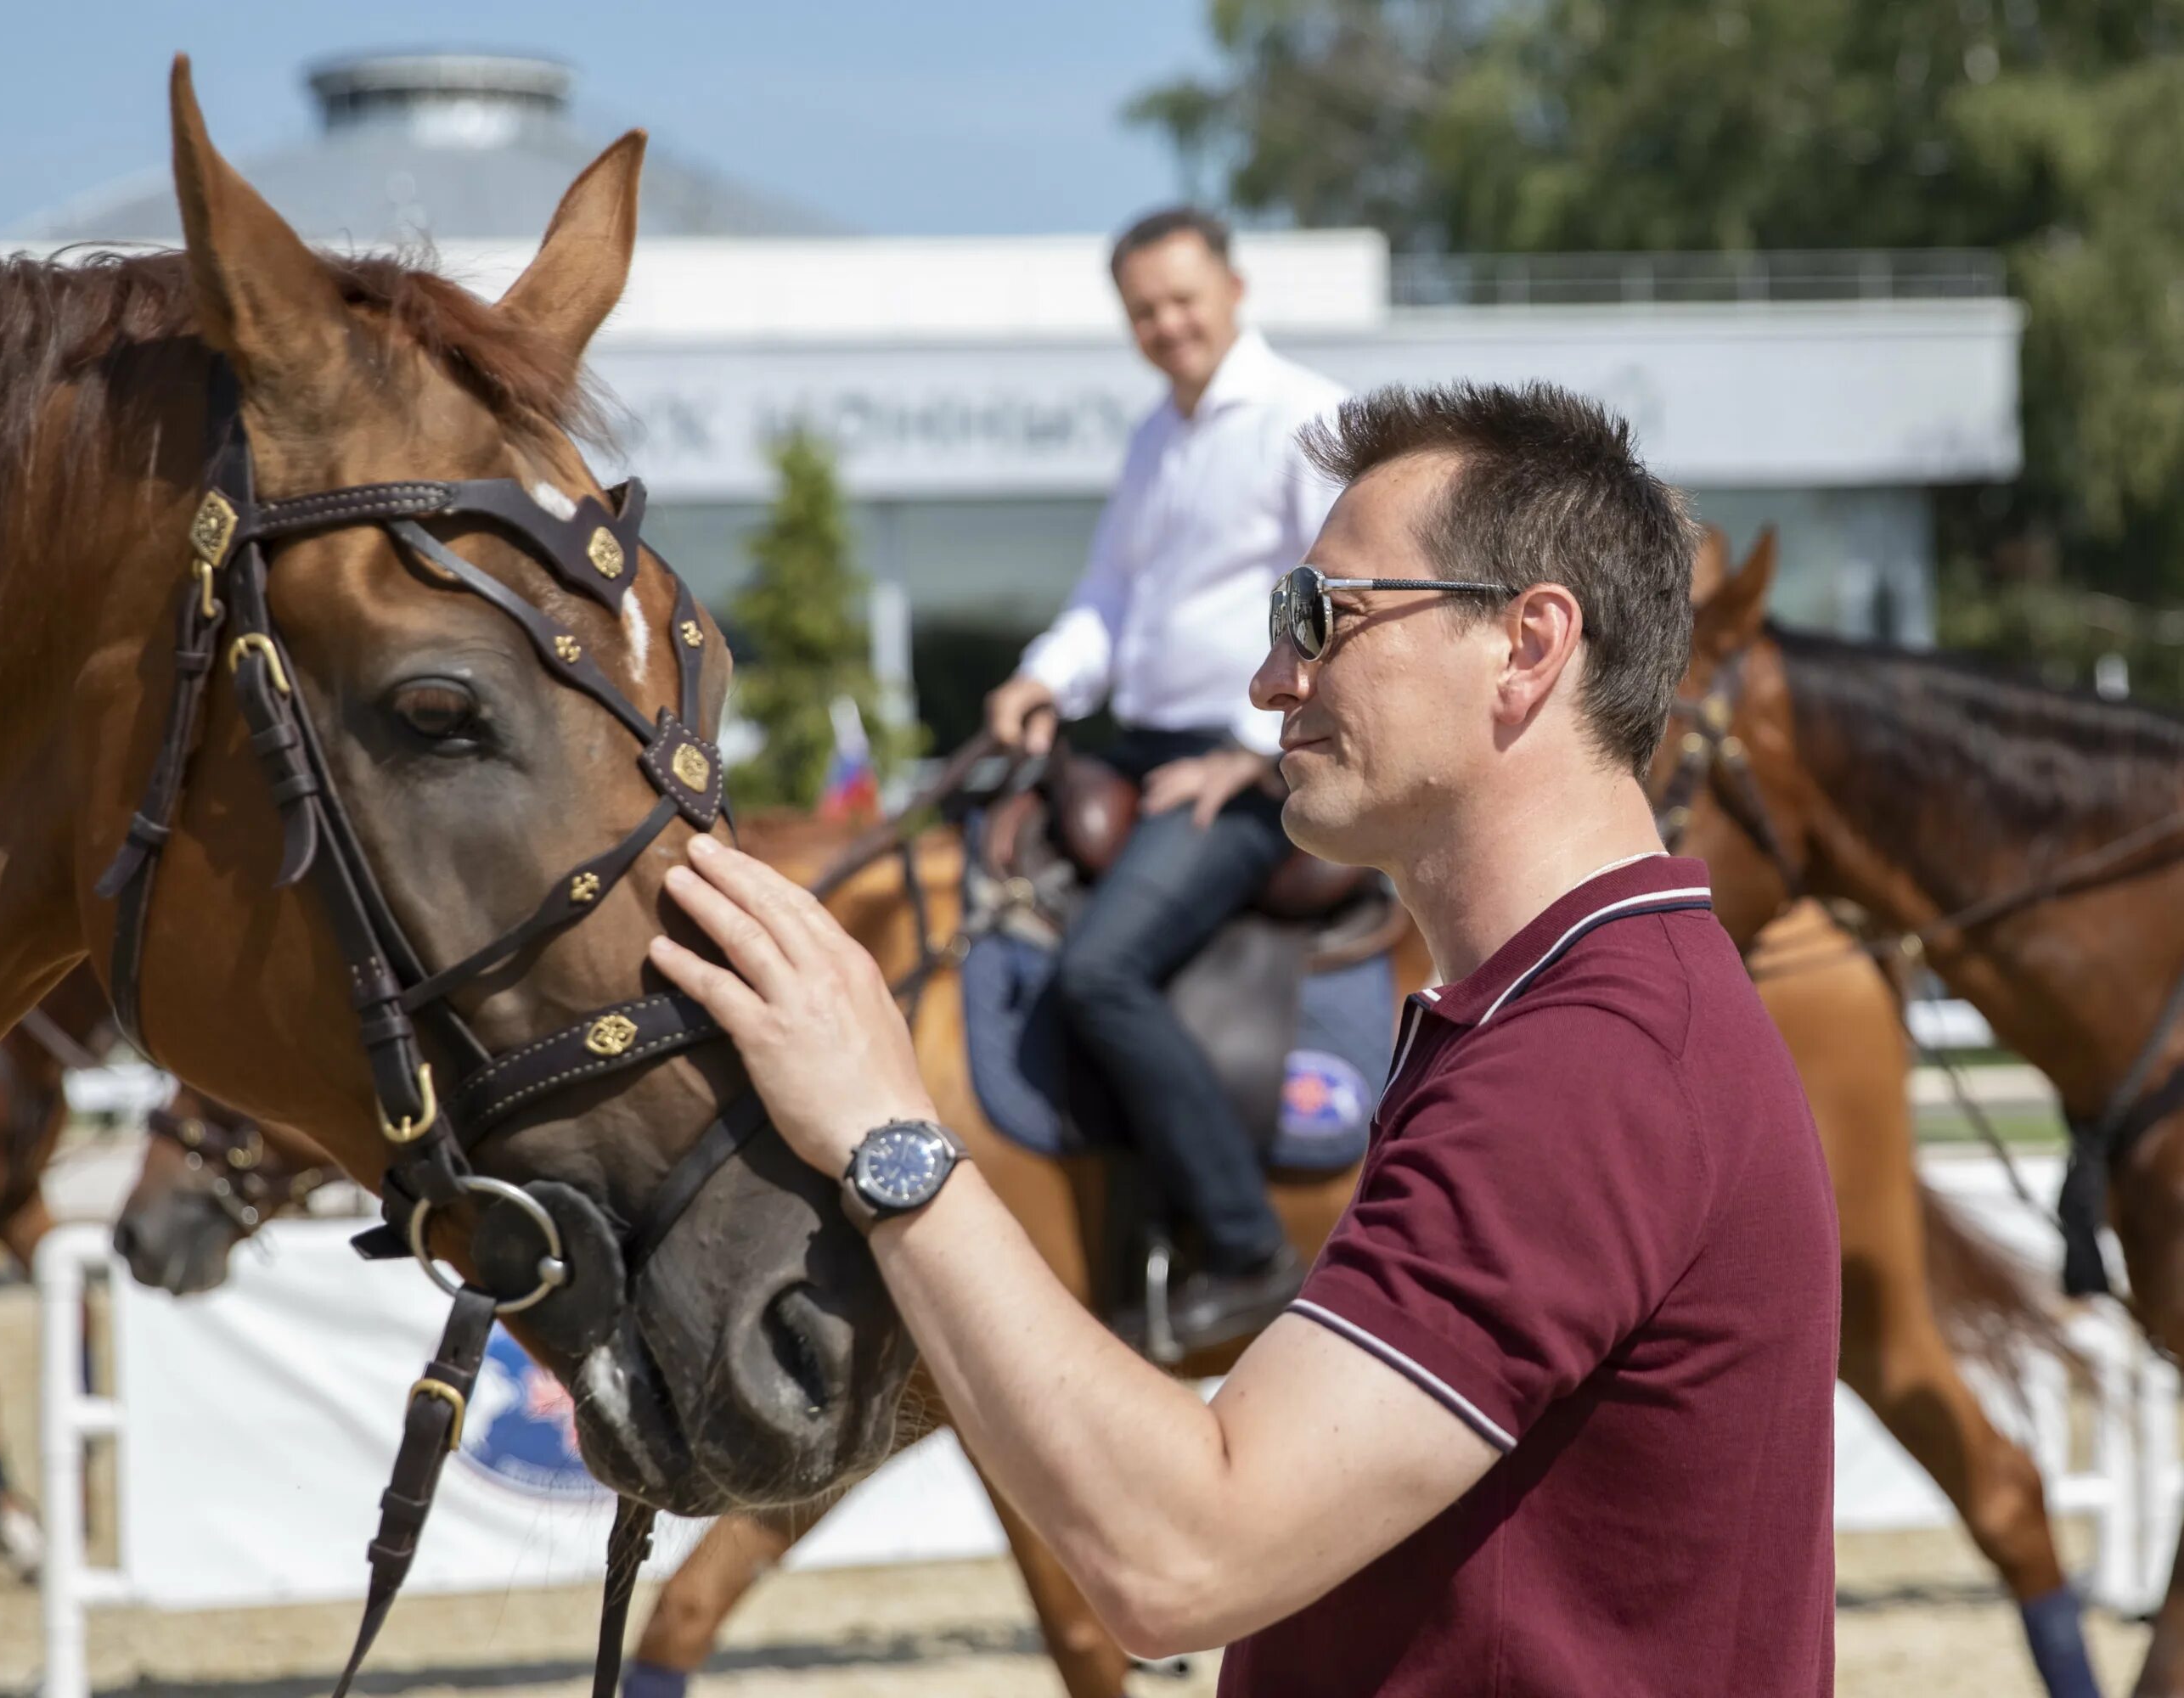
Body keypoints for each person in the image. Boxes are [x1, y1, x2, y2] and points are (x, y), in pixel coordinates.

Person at [650, 382, 1838, 1694]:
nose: (1273, 677)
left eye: (1319, 616)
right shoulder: (1586, 1011)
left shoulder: (1589, 1062)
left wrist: (887, 1134)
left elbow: (1182, 1563)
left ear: (1529, 644)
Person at [982, 205, 1348, 1345]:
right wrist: (1042, 677)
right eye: (1144, 309)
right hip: (1137, 746)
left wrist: (1249, 758)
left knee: (1098, 972)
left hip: (1250, 761)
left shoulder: (1307, 417)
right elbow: (1108, 601)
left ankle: (1247, 1251)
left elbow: (1341, 604)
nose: (1166, 324)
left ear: (1234, 289)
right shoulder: (1154, 438)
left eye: (1183, 299)